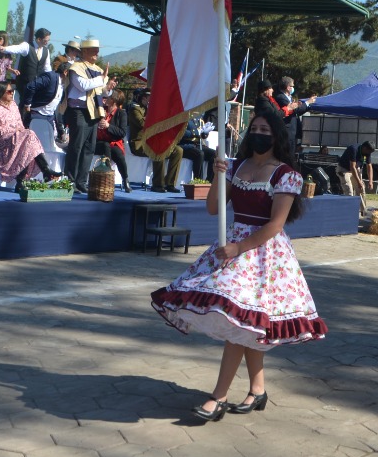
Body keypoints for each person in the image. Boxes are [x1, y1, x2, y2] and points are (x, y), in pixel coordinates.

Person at [150, 108, 327, 422]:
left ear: (276, 136)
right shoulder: (238, 166)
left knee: (239, 324)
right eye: (254, 128)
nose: (258, 134)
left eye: (265, 130)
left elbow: (275, 225)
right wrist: (220, 176)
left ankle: (218, 398)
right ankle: (258, 390)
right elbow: (213, 209)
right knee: (244, 324)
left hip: (263, 254)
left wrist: (237, 248)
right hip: (231, 246)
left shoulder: (286, 174)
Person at [64, 37, 116, 194]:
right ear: (84, 51)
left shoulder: (99, 70)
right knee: (76, 146)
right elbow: (83, 86)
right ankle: (70, 180)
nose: (97, 53)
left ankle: (81, 181)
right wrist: (101, 80)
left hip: (94, 112)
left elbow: (102, 92)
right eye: (93, 50)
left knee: (89, 148)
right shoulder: (76, 67)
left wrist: (109, 88)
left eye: (97, 50)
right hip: (78, 111)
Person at [0, 84, 58, 188]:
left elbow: (20, 125)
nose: (12, 93)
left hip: (16, 137)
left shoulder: (13, 105)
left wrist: (19, 132)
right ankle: (42, 171)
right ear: (1, 92)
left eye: (12, 90)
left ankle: (24, 179)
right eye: (9, 91)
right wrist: (14, 131)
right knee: (28, 138)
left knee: (28, 140)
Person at [127, 88, 181, 193]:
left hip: (153, 142)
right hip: (140, 144)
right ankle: (157, 184)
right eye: (150, 98)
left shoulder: (151, 109)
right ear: (144, 98)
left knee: (178, 151)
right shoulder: (135, 109)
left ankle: (169, 183)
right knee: (158, 150)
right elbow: (144, 124)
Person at [94, 91, 131, 192]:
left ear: (113, 101)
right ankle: (106, 176)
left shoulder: (121, 113)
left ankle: (125, 179)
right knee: (106, 146)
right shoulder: (101, 111)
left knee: (118, 154)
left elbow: (122, 132)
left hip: (113, 142)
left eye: (108, 98)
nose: (105, 99)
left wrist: (108, 126)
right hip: (99, 142)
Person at [179, 112, 215, 182]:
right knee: (199, 154)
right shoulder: (184, 117)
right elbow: (181, 133)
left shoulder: (199, 117)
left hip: (197, 145)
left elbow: (201, 136)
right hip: (186, 144)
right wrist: (196, 132)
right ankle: (198, 181)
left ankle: (209, 181)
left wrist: (205, 132)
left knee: (213, 154)